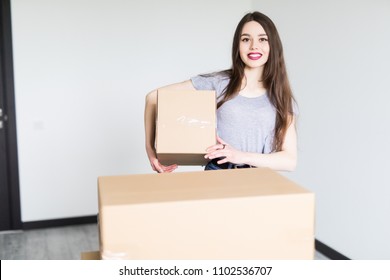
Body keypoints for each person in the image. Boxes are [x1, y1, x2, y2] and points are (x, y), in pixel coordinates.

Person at [144, 11, 297, 173]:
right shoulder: (218, 83)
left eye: (262, 39)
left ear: (273, 45)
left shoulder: (281, 96)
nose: (254, 46)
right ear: (237, 45)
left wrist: (240, 156)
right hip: (218, 175)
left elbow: (289, 161)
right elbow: (152, 97)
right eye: (246, 39)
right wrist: (150, 149)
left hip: (259, 179)